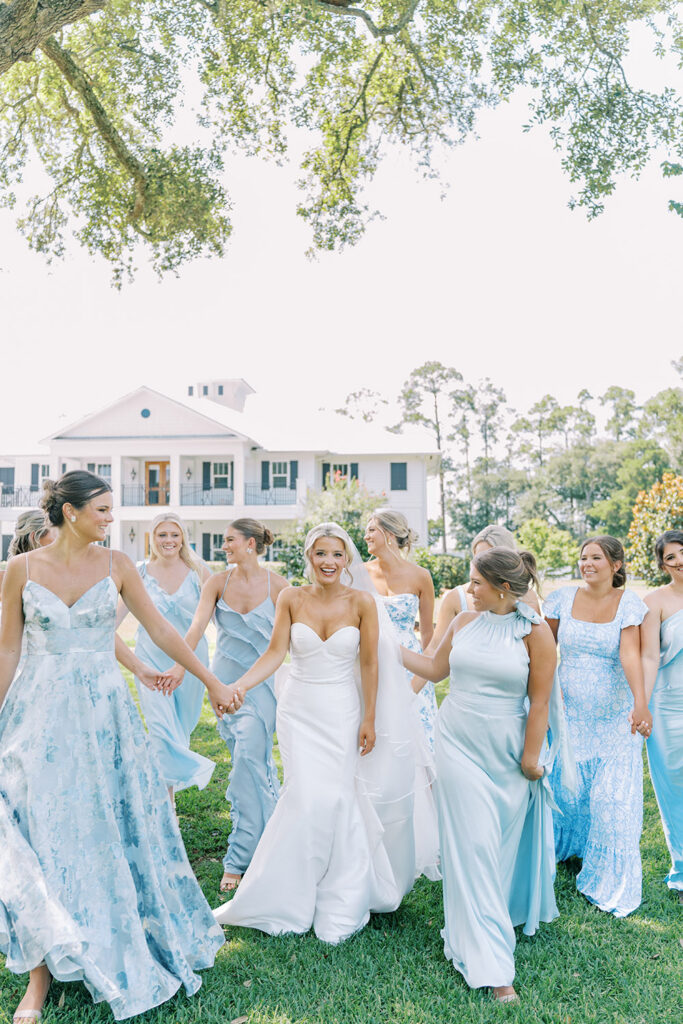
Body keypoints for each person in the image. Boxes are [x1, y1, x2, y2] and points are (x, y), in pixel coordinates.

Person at [0, 471, 238, 1022]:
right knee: (40, 828)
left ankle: (109, 938)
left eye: (112, 510)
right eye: (103, 510)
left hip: (104, 718)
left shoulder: (119, 566)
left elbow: (161, 632)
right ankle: (38, 977)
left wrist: (210, 679)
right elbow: (8, 652)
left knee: (104, 826)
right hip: (37, 715)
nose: (111, 519)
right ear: (69, 512)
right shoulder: (20, 570)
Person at [213, 522, 434, 943]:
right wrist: (240, 684)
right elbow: (276, 652)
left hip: (343, 710)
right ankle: (290, 891)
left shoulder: (363, 603)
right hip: (299, 711)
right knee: (307, 797)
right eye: (320, 554)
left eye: (336, 555)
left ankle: (343, 890)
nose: (328, 562)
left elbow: (370, 664)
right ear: (309, 558)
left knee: (337, 796)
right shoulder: (292, 598)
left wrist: (369, 717)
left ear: (346, 559)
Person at [400, 546, 559, 1002]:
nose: (468, 590)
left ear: (503, 588)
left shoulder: (535, 634)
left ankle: (484, 920)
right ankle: (494, 966)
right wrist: (389, 650)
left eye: (476, 583)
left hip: (507, 754)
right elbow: (434, 669)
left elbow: (541, 702)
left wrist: (531, 759)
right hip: (457, 745)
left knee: (494, 850)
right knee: (471, 847)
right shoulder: (463, 623)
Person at [160, 518, 289, 893]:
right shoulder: (216, 583)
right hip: (223, 689)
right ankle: (273, 841)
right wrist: (179, 667)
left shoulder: (280, 588)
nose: (224, 546)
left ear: (250, 544)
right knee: (251, 763)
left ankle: (240, 856)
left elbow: (288, 643)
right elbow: (196, 629)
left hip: (261, 689)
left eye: (230, 540)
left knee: (251, 758)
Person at [543, 535, 651, 917]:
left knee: (612, 799)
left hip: (613, 718)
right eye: (583, 557)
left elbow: (630, 654)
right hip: (569, 714)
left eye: (596, 558)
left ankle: (609, 876)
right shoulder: (559, 599)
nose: (587, 563)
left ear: (616, 565)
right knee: (568, 788)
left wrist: (640, 704)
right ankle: (569, 846)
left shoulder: (630, 605)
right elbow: (542, 649)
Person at [116, 513, 215, 803]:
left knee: (179, 731)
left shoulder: (199, 572)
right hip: (151, 663)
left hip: (190, 663)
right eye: (162, 535)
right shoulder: (139, 573)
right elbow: (112, 622)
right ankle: (166, 808)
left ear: (183, 537)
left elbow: (204, 623)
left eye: (174, 534)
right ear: (152, 538)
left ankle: (166, 796)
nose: (169, 541)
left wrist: (181, 666)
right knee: (161, 733)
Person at [364, 509, 437, 748]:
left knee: (416, 742)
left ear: (390, 534)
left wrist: (420, 682)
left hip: (410, 669)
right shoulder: (359, 574)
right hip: (370, 661)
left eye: (371, 529)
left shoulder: (421, 576)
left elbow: (428, 636)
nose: (366, 536)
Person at [640, 530, 683, 901]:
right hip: (668, 705)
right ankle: (682, 868)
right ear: (662, 563)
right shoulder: (653, 601)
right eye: (671, 557)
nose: (680, 561)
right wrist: (643, 704)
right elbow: (650, 656)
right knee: (673, 789)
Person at [428, 524, 541, 658]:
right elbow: (434, 650)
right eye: (478, 558)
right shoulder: (455, 598)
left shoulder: (527, 598)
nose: (483, 565)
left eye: (491, 559)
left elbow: (535, 655)